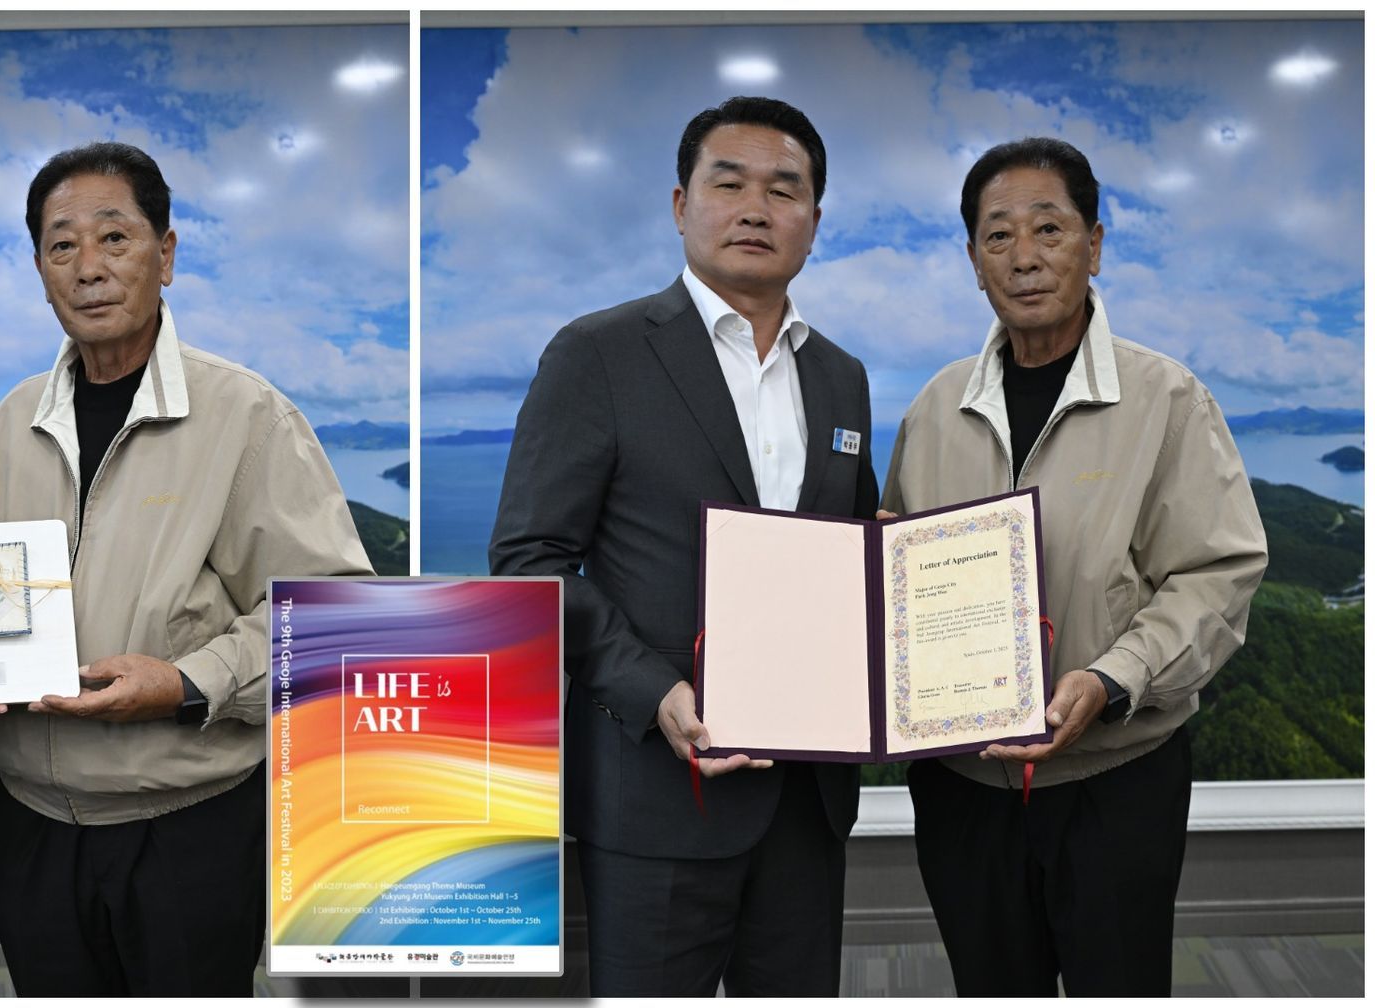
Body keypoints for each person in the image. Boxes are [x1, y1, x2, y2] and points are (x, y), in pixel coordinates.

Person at [0, 141, 372, 995]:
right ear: (39, 272)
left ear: (167, 255)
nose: (89, 268)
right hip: (30, 824)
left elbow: (335, 619)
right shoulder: (7, 424)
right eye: (61, 246)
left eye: (116, 238)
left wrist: (184, 683)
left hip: (190, 830)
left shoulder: (246, 415)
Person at [488, 96, 876, 995]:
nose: (755, 208)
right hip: (657, 789)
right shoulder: (598, 354)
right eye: (727, 182)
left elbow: (849, 545)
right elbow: (531, 562)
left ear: (814, 219)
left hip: (807, 800)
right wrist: (655, 691)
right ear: (679, 205)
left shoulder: (841, 375)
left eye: (785, 190)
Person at [881, 137, 1268, 995]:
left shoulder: (1166, 398)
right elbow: (898, 576)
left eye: (1048, 229)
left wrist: (1111, 677)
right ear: (973, 261)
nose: (1024, 258)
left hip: (1114, 780)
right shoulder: (935, 408)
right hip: (962, 786)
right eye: (997, 237)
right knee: (990, 985)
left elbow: (1217, 573)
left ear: (1094, 246)